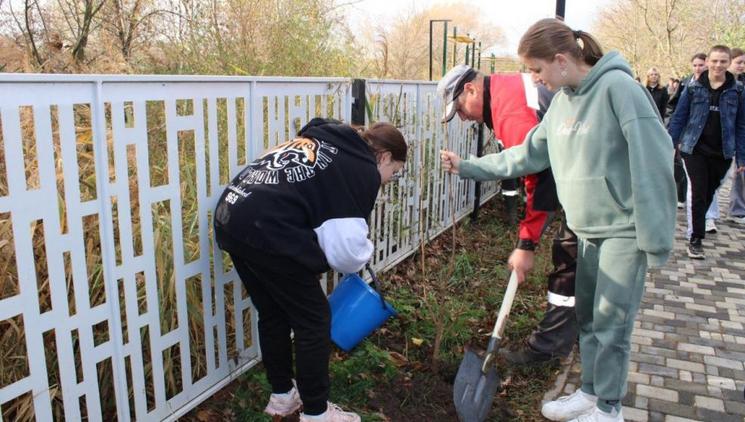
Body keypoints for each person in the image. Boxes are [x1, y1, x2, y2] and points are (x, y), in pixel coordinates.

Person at [441, 19, 676, 422]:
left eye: (537, 69)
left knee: (612, 324)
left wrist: (655, 239)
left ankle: (609, 409)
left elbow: (655, 161)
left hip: (623, 231)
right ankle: (588, 393)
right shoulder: (564, 101)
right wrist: (469, 166)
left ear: (562, 60)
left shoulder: (620, 90)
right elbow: (526, 155)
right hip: (586, 231)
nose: (535, 79)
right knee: (587, 318)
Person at [213, 118, 407, 422]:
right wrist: (363, 251)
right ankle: (316, 414)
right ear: (383, 157)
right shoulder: (362, 170)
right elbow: (346, 254)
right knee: (314, 321)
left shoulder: (327, 144)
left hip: (232, 216)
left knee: (274, 312)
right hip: (266, 229)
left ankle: (282, 397)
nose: (386, 180)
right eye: (393, 172)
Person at [436, 64, 578, 366]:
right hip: (583, 182)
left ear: (471, 89)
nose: (461, 118)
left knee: (569, 259)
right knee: (575, 261)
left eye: (459, 108)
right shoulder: (505, 91)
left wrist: (526, 244)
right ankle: (572, 333)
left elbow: (537, 179)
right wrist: (467, 166)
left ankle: (549, 349)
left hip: (596, 191)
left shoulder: (510, 110)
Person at [668, 45, 745, 259]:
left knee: (708, 193)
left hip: (723, 151)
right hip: (693, 148)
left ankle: (696, 228)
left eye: (723, 61)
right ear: (708, 62)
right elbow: (679, 116)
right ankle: (695, 238)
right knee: (697, 192)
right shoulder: (694, 87)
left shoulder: (738, 90)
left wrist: (742, 156)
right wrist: (669, 144)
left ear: (728, 63)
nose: (718, 65)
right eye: (714, 61)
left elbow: (743, 124)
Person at [669, 54, 707, 210]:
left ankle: (703, 212)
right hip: (686, 133)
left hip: (704, 135)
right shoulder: (686, 83)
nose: (698, 68)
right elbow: (675, 109)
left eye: (701, 65)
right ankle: (684, 198)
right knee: (684, 170)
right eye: (695, 65)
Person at [727, 47, 745, 224]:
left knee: (743, 170)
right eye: (739, 62)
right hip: (726, 130)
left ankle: (739, 209)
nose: (742, 66)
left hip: (743, 130)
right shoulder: (722, 82)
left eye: (744, 62)